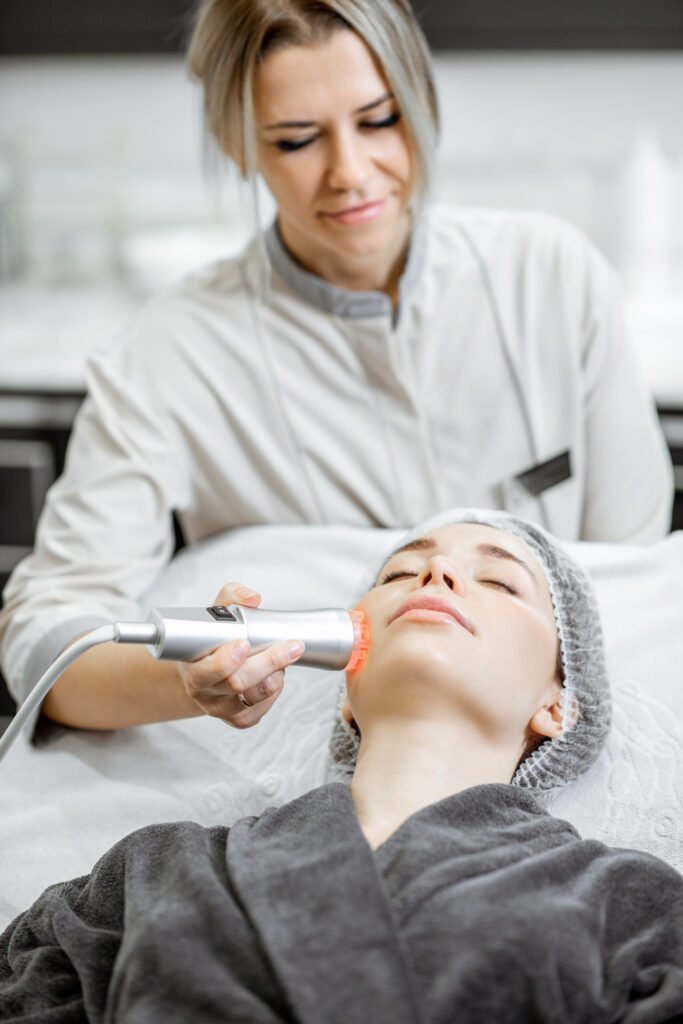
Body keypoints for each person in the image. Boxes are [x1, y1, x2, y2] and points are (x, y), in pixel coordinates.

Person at [0, 0, 673, 738]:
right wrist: (188, 687)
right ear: (237, 145)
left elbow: (638, 588)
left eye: (379, 121)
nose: (350, 173)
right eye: (296, 141)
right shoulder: (167, 356)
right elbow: (46, 635)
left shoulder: (552, 278)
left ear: (422, 102)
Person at [2, 509, 682, 1023]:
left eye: (500, 580)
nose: (435, 575)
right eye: (397, 574)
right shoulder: (146, 873)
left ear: (559, 706)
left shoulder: (632, 904)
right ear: (346, 690)